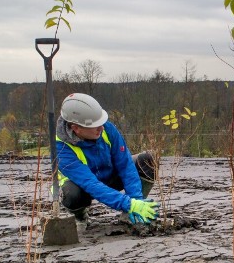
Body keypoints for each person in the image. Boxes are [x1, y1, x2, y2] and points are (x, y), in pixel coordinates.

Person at [55, 93, 158, 225]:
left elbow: (125, 165)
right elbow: (90, 184)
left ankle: (134, 214)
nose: (101, 128)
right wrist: (127, 204)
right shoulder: (61, 149)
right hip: (82, 187)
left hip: (109, 177)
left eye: (101, 122)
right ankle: (80, 217)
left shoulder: (106, 128)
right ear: (76, 128)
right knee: (72, 194)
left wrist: (135, 200)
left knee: (147, 160)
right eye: (95, 125)